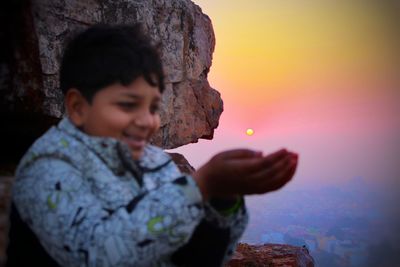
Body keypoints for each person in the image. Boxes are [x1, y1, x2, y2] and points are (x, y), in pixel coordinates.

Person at [6, 24, 298, 267]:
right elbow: (98, 255)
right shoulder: (47, 168)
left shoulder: (152, 163)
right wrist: (198, 186)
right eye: (128, 105)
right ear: (78, 106)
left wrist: (221, 197)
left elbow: (194, 257)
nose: (147, 121)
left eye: (153, 107)